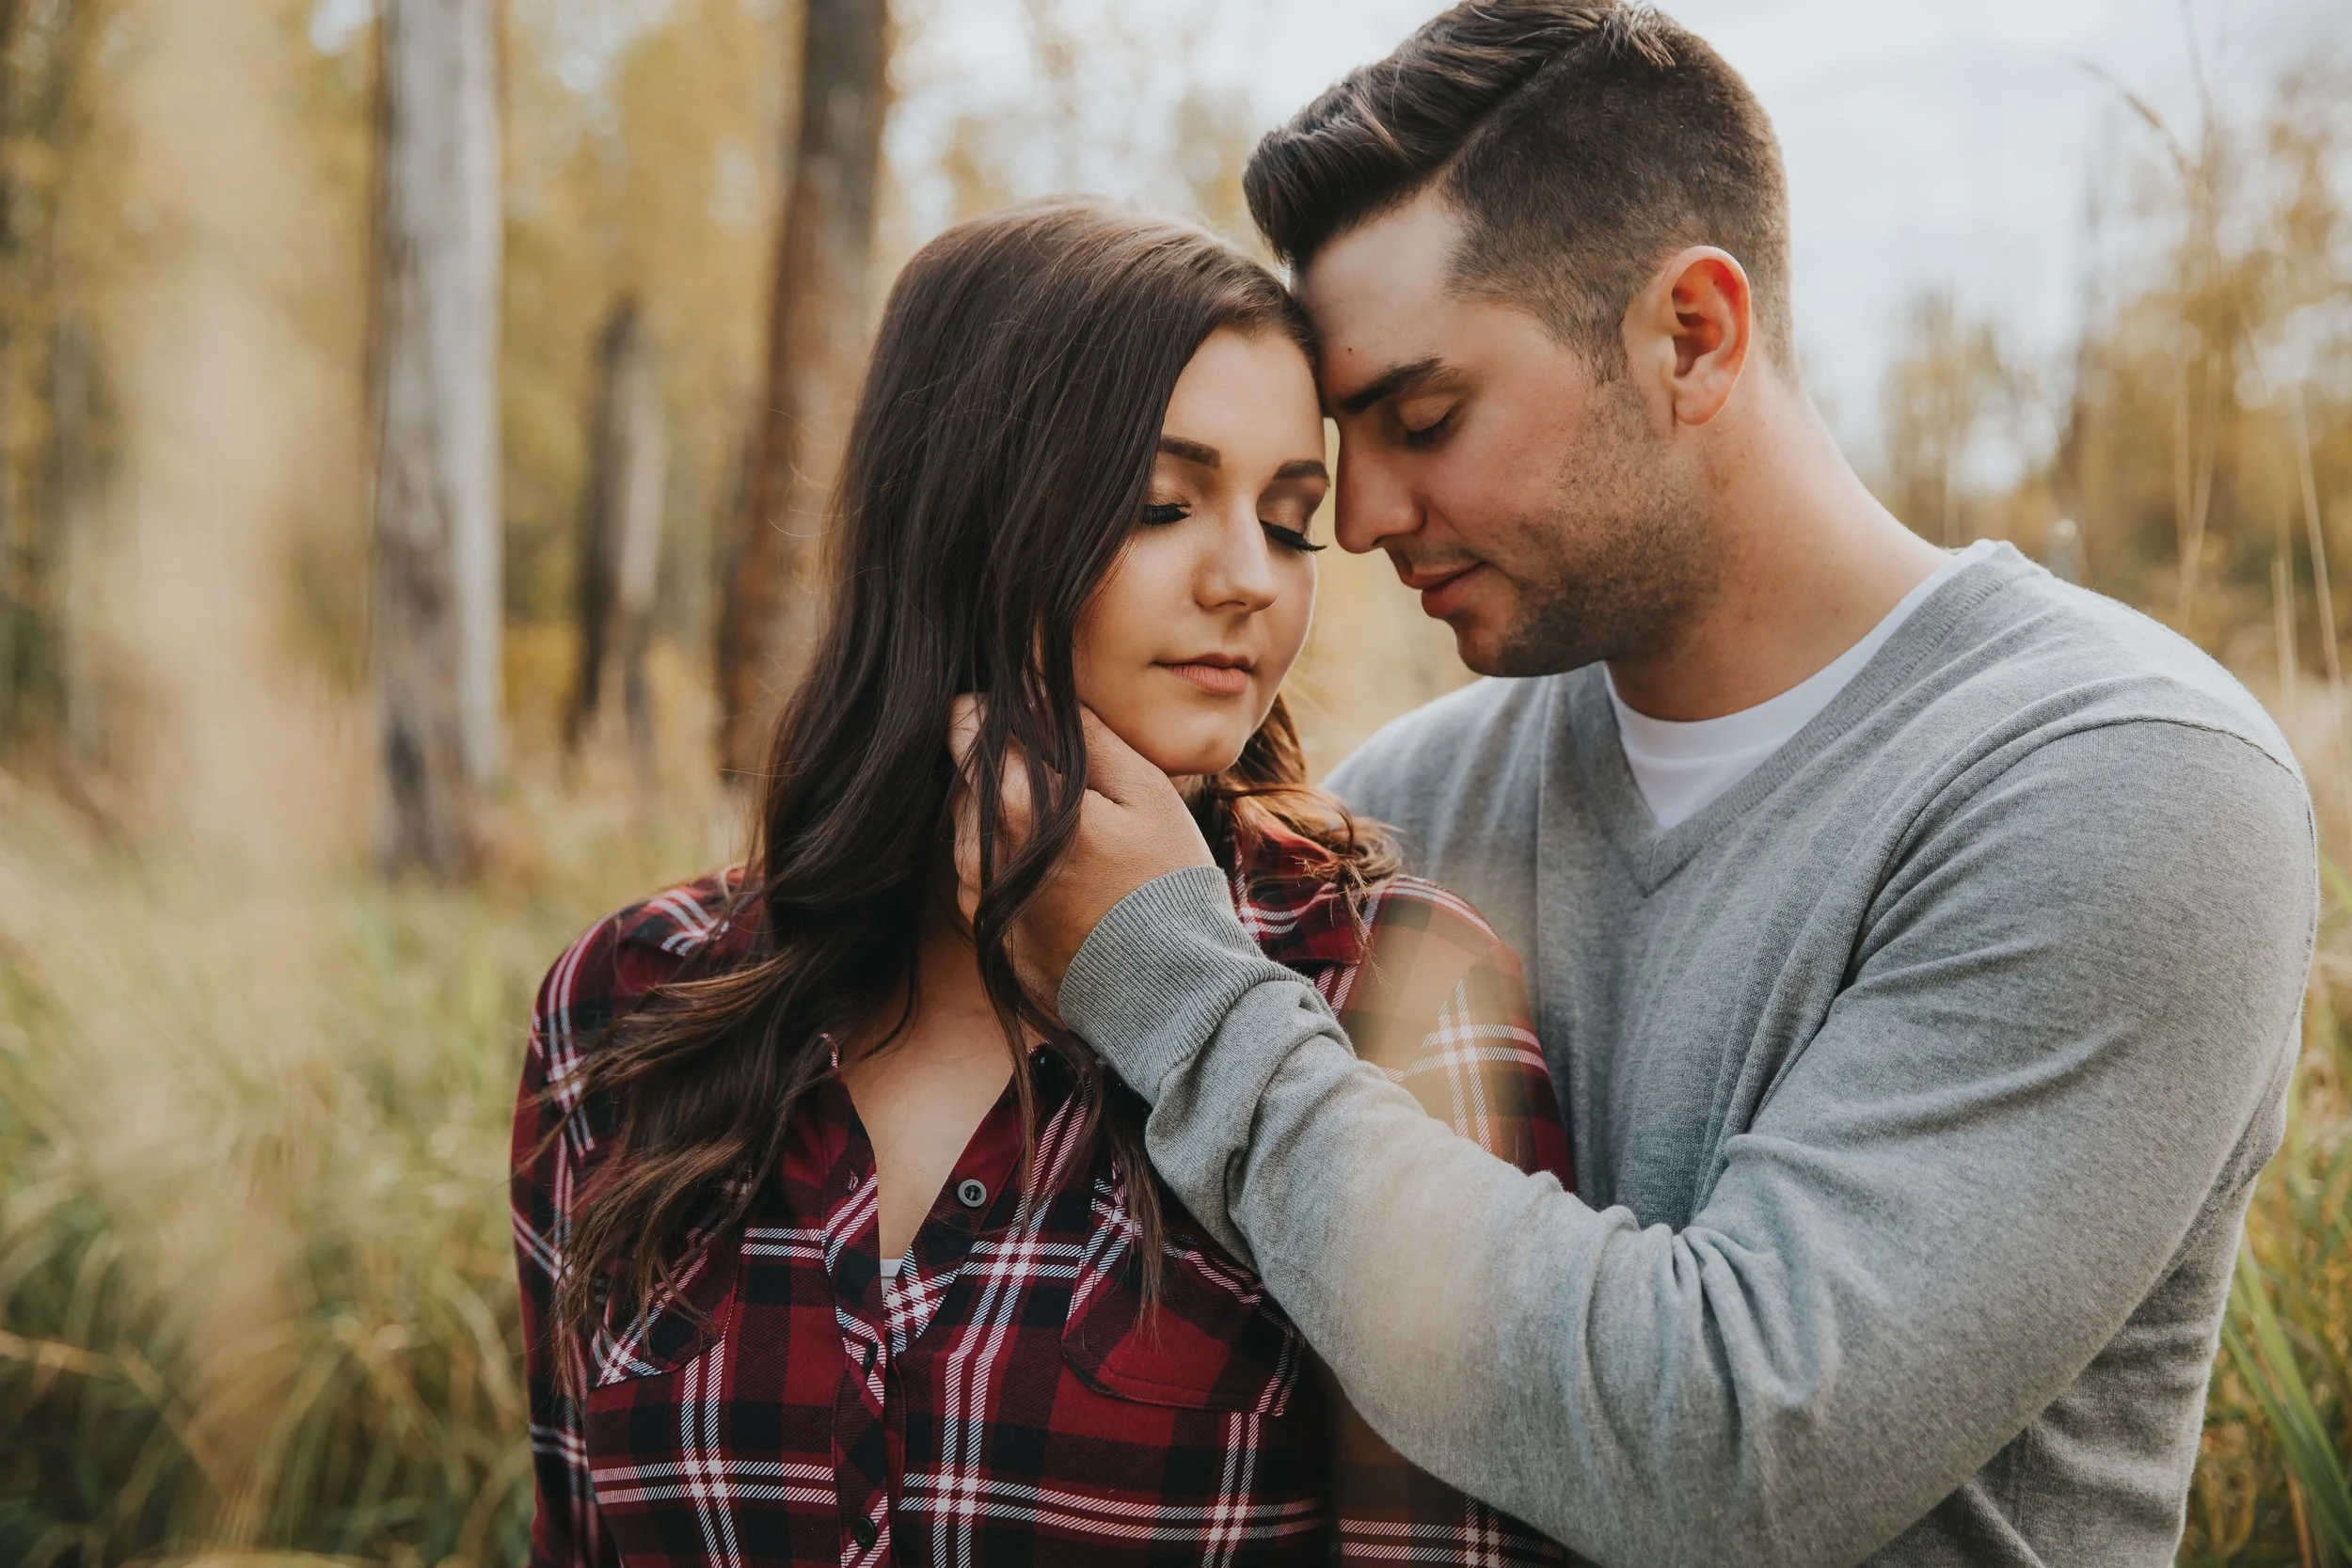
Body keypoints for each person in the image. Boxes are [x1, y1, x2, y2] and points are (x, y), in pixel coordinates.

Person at [957, 6, 2321, 1567]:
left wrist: (1178, 990)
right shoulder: (1409, 804)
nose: (1363, 518)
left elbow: (1738, 1451)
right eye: (1347, 449)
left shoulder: (2123, 788)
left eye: (1424, 419)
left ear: (1693, 335)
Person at [511, 198, 1578, 1566]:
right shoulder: (625, 1005)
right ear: (963, 515)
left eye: (1288, 521)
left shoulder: (1391, 991)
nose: (1250, 580)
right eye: (1160, 504)